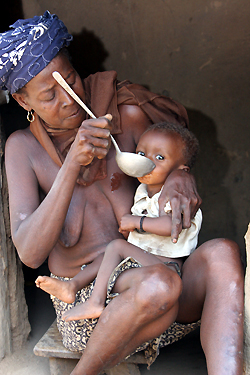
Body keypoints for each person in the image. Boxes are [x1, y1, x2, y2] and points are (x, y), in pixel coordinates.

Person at [1, 11, 244, 375]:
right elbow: (31, 252)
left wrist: (182, 175)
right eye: (50, 95)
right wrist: (71, 166)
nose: (68, 99)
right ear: (23, 102)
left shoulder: (123, 116)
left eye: (71, 80)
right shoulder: (23, 149)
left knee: (222, 253)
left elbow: (176, 148)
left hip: (164, 293)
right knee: (161, 283)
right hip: (89, 307)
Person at [35, 121, 202, 322]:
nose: (148, 162)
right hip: (145, 260)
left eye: (160, 157)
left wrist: (136, 222)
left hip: (167, 266)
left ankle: (95, 302)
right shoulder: (143, 191)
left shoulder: (175, 196)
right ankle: (73, 286)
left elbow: (170, 226)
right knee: (108, 253)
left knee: (115, 246)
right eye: (141, 154)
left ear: (180, 169)